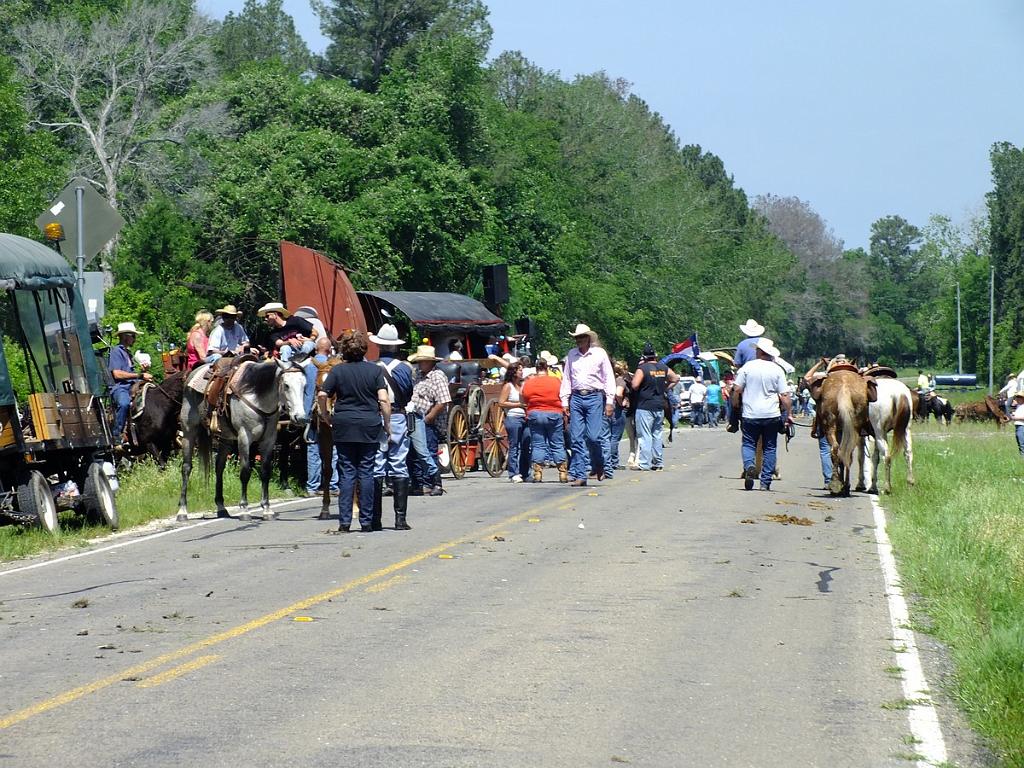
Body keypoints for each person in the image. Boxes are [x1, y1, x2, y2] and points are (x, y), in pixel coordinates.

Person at [317, 330, 389, 533]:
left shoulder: (338, 371)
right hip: (369, 423)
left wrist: (325, 415)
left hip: (344, 423)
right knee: (366, 471)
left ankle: (345, 521)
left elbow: (323, 394)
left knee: (347, 471)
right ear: (364, 349)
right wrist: (387, 423)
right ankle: (366, 521)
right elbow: (383, 400)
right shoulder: (374, 371)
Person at [732, 338, 792, 491]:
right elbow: (784, 395)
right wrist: (789, 414)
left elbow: (737, 389)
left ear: (759, 352)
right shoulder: (777, 369)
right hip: (771, 414)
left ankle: (749, 466)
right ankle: (765, 482)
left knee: (748, 444)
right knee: (770, 447)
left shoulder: (747, 367)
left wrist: (735, 406)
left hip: (750, 414)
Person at [560, 324, 616, 486]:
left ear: (588, 339)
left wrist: (610, 401)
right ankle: (580, 475)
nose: (579, 340)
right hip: (576, 397)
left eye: (582, 337)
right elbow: (567, 378)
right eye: (577, 338)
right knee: (576, 438)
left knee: (593, 437)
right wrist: (565, 401)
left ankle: (598, 464)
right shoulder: (571, 355)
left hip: (595, 396)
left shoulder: (599, 354)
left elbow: (608, 377)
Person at [370, 323, 414, 530]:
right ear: (395, 346)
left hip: (375, 416)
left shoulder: (371, 367)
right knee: (399, 463)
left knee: (377, 465)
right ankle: (400, 519)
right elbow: (408, 394)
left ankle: (375, 519)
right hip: (397, 415)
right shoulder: (405, 368)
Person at [407, 344, 451, 496]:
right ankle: (419, 483)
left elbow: (443, 400)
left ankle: (434, 483)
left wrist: (430, 417)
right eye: (419, 361)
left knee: (429, 451)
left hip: (429, 419)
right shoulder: (418, 374)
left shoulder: (437, 376)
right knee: (414, 452)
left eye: (423, 361)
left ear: (431, 362)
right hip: (414, 416)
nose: (420, 364)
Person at [631, 342, 677, 471]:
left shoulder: (643, 369)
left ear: (644, 357)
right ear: (655, 356)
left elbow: (634, 385)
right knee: (657, 434)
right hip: (659, 405)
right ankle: (658, 462)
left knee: (644, 435)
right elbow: (675, 379)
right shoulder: (663, 367)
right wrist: (665, 388)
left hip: (645, 405)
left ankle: (644, 463)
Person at [303, 336, 339, 499]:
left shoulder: (310, 365)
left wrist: (305, 413)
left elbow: (308, 390)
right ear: (329, 349)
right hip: (331, 412)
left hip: (314, 411)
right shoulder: (335, 365)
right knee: (333, 448)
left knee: (313, 447)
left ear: (317, 349)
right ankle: (332, 484)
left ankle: (312, 486)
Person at [522, 355, 567, 482]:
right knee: (557, 444)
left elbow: (525, 398)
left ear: (536, 369)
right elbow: (562, 395)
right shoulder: (556, 381)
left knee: (538, 444)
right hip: (554, 413)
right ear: (547, 368)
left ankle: (538, 474)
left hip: (535, 413)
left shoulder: (529, 383)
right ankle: (562, 473)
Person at [107, 321, 153, 445]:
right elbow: (116, 374)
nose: (135, 338)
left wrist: (143, 371)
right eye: (133, 335)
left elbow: (130, 373)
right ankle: (117, 435)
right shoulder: (116, 351)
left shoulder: (129, 353)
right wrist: (140, 375)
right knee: (124, 403)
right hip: (120, 387)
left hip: (131, 384)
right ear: (125, 336)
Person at [800, 358, 833, 489]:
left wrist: (819, 363)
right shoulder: (848, 379)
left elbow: (806, 378)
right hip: (844, 421)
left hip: (824, 420)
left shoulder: (821, 379)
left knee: (825, 450)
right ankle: (843, 478)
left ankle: (828, 480)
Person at [498, 362, 528, 482]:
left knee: (526, 444)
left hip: (525, 418)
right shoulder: (508, 386)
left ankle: (525, 472)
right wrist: (518, 405)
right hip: (514, 417)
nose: (522, 372)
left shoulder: (522, 385)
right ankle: (513, 473)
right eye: (519, 370)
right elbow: (501, 402)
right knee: (514, 445)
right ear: (514, 372)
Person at [606, 361, 630, 472]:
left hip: (607, 409)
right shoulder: (621, 381)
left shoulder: (609, 380)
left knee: (608, 436)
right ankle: (613, 462)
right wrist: (621, 403)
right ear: (623, 370)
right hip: (618, 410)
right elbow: (618, 393)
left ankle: (607, 461)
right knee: (615, 437)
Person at [1012, 391, 1024, 458]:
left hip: (1022, 427)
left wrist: (1016, 418)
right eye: (1017, 397)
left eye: (1019, 397)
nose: (1017, 398)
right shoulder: (1018, 406)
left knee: (1022, 444)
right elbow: (1013, 415)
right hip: (1018, 426)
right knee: (1020, 443)